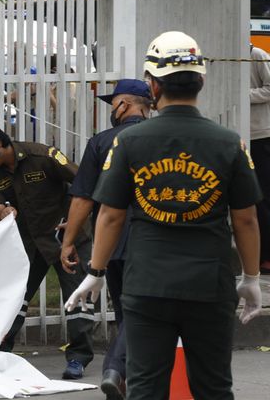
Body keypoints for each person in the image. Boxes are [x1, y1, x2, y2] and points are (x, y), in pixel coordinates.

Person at [67, 31, 263, 400]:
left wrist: (95, 272)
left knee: (145, 387)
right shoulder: (229, 143)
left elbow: (110, 215)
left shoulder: (128, 142)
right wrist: (250, 277)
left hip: (148, 287)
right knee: (214, 387)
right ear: (201, 80)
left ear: (152, 85)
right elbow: (246, 219)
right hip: (210, 284)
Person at [0, 120, 94, 379]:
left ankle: (78, 359)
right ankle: (0, 352)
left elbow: (83, 183)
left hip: (65, 238)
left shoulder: (42, 156)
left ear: (0, 144)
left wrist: (76, 218)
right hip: (29, 244)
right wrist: (2, 211)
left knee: (76, 299)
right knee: (14, 298)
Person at [58, 79, 152, 399]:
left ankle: (121, 373)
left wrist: (69, 241)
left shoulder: (101, 142)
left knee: (127, 311)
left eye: (113, 104)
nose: (112, 110)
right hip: (151, 238)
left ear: (124, 105)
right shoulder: (158, 138)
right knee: (140, 311)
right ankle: (116, 370)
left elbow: (83, 198)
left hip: (109, 241)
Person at [248, 44, 270, 275]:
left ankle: (267, 256)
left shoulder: (257, 55)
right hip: (244, 132)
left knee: (263, 198)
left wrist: (243, 94)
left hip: (261, 134)